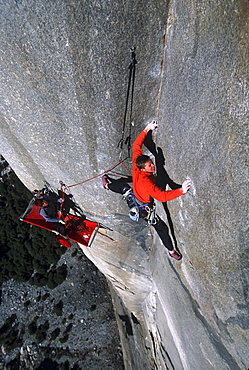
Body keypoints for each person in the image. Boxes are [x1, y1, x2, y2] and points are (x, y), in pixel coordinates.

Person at [102, 120, 192, 260]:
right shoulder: (148, 182)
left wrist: (147, 129)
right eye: (150, 166)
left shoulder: (137, 161)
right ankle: (171, 251)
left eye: (151, 164)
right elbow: (162, 197)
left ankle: (107, 185)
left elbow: (136, 145)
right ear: (143, 168)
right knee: (162, 228)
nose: (153, 167)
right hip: (144, 208)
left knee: (123, 187)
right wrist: (181, 190)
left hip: (135, 196)